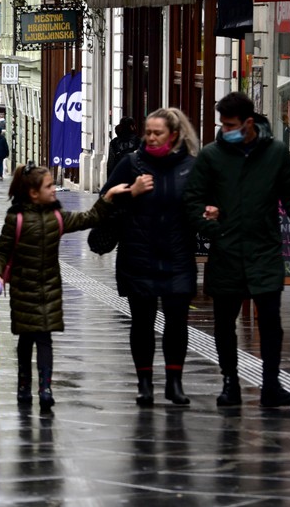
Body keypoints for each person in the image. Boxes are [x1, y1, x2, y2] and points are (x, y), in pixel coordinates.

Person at [183, 91, 290, 408]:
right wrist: (212, 226)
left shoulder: (276, 154)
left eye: (230, 124)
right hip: (227, 252)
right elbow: (192, 201)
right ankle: (230, 383)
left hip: (264, 251)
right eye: (222, 124)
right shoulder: (211, 156)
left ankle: (270, 386)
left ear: (248, 123)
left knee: (271, 321)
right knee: (223, 322)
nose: (224, 129)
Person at [0, 162, 130, 412]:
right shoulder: (16, 219)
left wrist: (107, 197)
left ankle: (45, 388)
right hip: (22, 290)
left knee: (44, 339)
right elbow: (1, 251)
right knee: (25, 340)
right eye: (49, 185)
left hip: (49, 290)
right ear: (34, 193)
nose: (54, 189)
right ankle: (24, 384)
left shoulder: (57, 217)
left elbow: (89, 218)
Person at [101, 107, 200, 406]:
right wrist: (132, 191)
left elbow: (203, 203)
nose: (151, 138)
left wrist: (210, 212)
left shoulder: (191, 167)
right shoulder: (132, 163)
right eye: (148, 133)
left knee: (177, 322)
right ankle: (144, 383)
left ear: (174, 134)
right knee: (142, 323)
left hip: (178, 255)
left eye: (158, 133)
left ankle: (174, 383)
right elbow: (105, 200)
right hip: (138, 254)